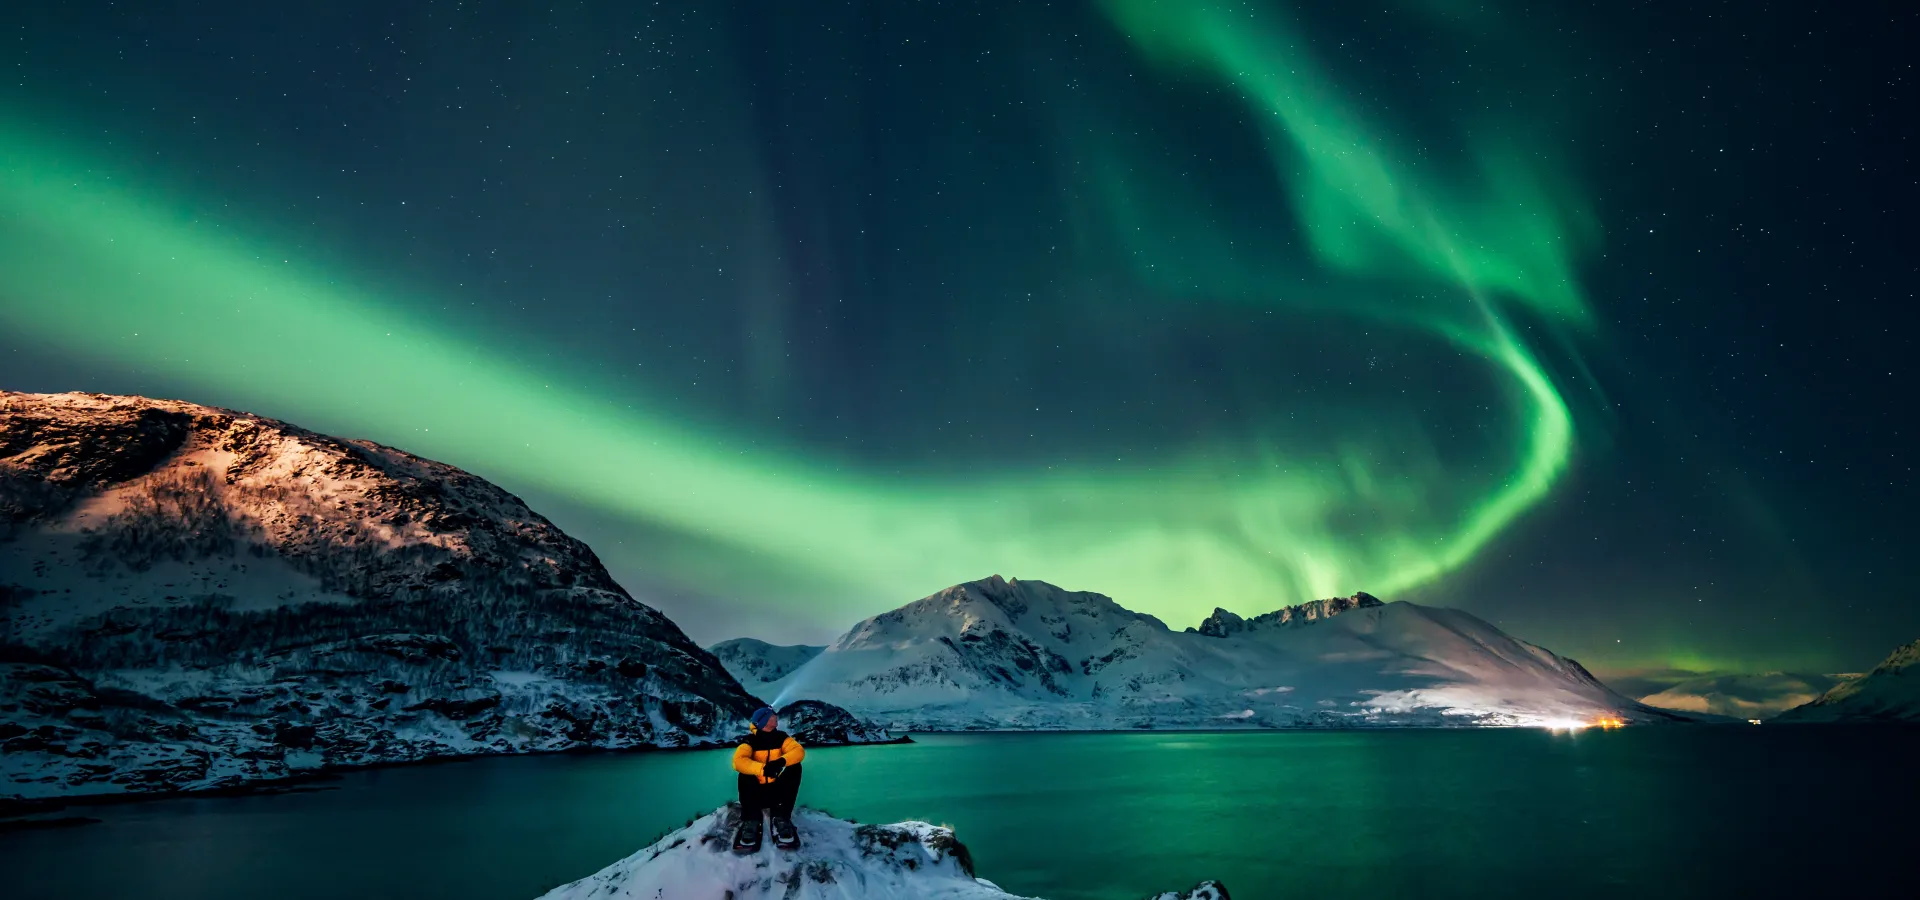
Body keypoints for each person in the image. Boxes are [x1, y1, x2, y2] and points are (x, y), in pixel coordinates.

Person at [731, 706, 804, 852]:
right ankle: (751, 818)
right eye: (772, 716)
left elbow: (798, 751)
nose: (775, 717)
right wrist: (762, 769)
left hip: (777, 793)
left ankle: (781, 817)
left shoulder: (782, 737)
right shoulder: (750, 741)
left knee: (795, 767)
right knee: (744, 773)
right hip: (755, 794)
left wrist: (780, 762)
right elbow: (737, 761)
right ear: (764, 721)